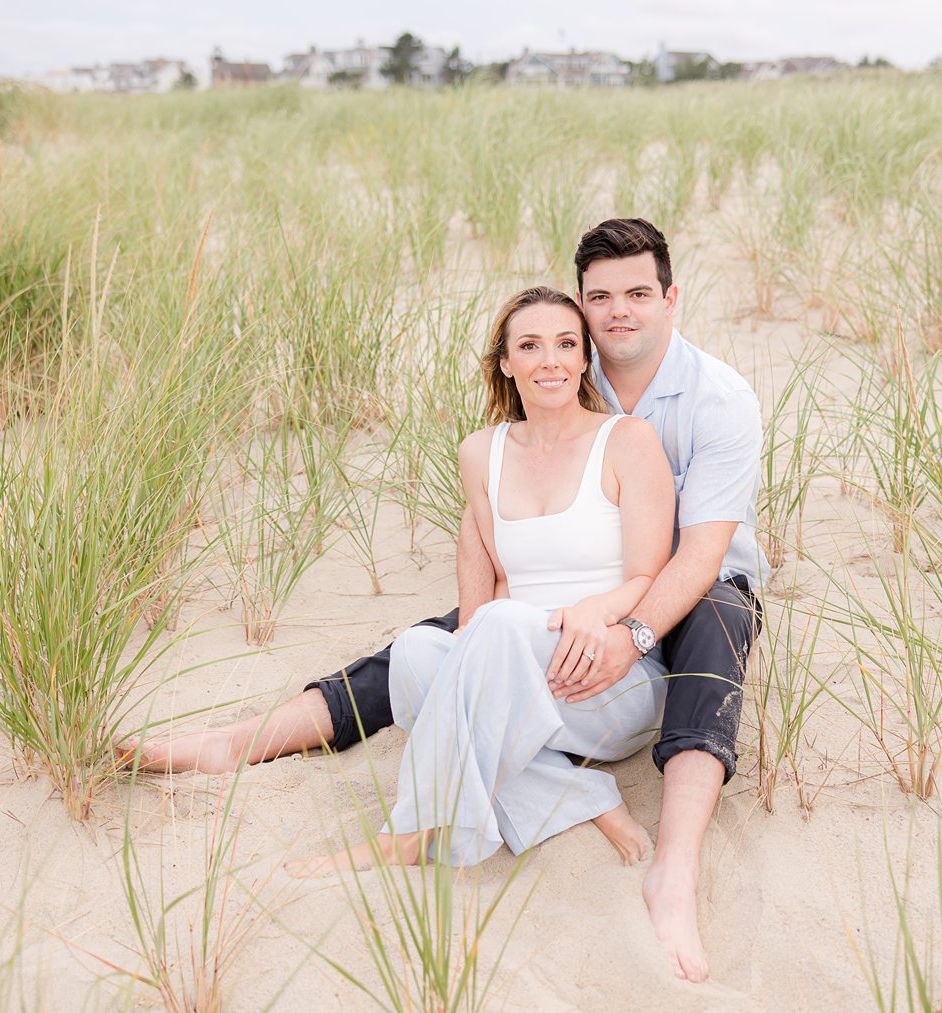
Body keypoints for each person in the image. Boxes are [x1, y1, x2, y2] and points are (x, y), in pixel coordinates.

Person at [123, 219, 764, 982]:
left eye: (637, 293)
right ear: (580, 312)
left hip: (700, 581)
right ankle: (249, 739)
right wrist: (510, 612)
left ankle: (672, 866)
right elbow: (489, 563)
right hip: (541, 620)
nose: (617, 310)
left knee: (704, 625)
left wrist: (624, 626)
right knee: (433, 647)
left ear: (670, 298)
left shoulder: (712, 400)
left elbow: (691, 557)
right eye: (600, 297)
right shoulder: (511, 428)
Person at [287, 285, 674, 875]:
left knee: (492, 628)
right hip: (513, 664)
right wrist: (494, 634)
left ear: (584, 359)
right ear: (505, 362)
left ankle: (408, 833)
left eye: (567, 344)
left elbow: (650, 573)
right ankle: (586, 798)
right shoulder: (480, 452)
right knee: (418, 651)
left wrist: (598, 610)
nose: (551, 360)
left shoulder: (626, 440)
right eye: (531, 345)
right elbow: (495, 579)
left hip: (608, 678)